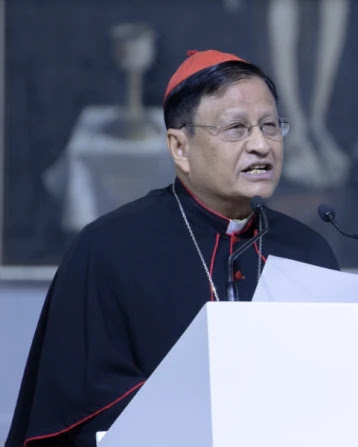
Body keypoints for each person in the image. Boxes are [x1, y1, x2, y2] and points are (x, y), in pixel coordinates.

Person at [6, 50, 339, 447]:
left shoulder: (308, 250)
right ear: (180, 147)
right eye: (236, 128)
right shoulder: (108, 248)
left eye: (270, 126)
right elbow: (82, 404)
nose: (261, 145)